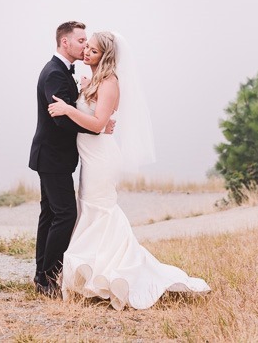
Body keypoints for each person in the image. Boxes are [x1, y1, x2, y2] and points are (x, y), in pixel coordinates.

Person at [47, 31, 210, 310]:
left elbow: (98, 125)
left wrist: (66, 109)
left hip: (101, 160)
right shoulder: (94, 81)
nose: (87, 52)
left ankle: (115, 273)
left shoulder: (110, 83)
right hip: (90, 158)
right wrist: (82, 92)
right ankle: (95, 273)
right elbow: (96, 115)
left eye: (94, 51)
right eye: (87, 47)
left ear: (105, 56)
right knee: (91, 211)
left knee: (100, 211)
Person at [28, 21, 115, 297]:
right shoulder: (54, 73)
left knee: (51, 214)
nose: (84, 46)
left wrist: (93, 117)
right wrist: (97, 125)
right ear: (65, 42)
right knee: (65, 214)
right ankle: (48, 276)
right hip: (52, 157)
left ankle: (41, 274)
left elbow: (70, 110)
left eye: (88, 43)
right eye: (81, 41)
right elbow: (62, 120)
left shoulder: (64, 72)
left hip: (53, 157)